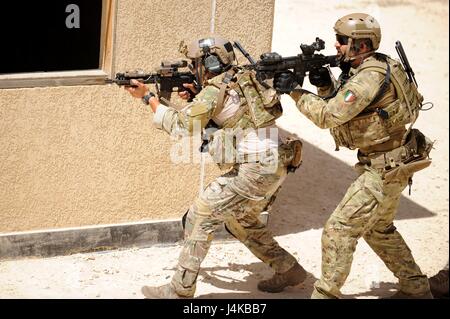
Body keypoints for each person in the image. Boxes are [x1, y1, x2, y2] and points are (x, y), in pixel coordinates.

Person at [125, 36, 306, 298]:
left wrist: (148, 98)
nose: (193, 68)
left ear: (208, 63)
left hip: (256, 169)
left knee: (201, 215)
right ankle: (288, 268)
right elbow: (232, 113)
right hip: (278, 160)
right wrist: (197, 95)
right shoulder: (243, 78)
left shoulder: (213, 91)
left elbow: (181, 126)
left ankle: (179, 291)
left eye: (196, 63)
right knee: (239, 219)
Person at [275, 13, 434, 299]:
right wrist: (325, 85)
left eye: (341, 40)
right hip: (396, 160)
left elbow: (329, 115)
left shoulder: (369, 77)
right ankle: (416, 289)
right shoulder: (379, 64)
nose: (336, 46)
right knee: (379, 230)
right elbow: (350, 104)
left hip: (384, 170)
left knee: (339, 229)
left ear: (360, 45)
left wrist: (294, 92)